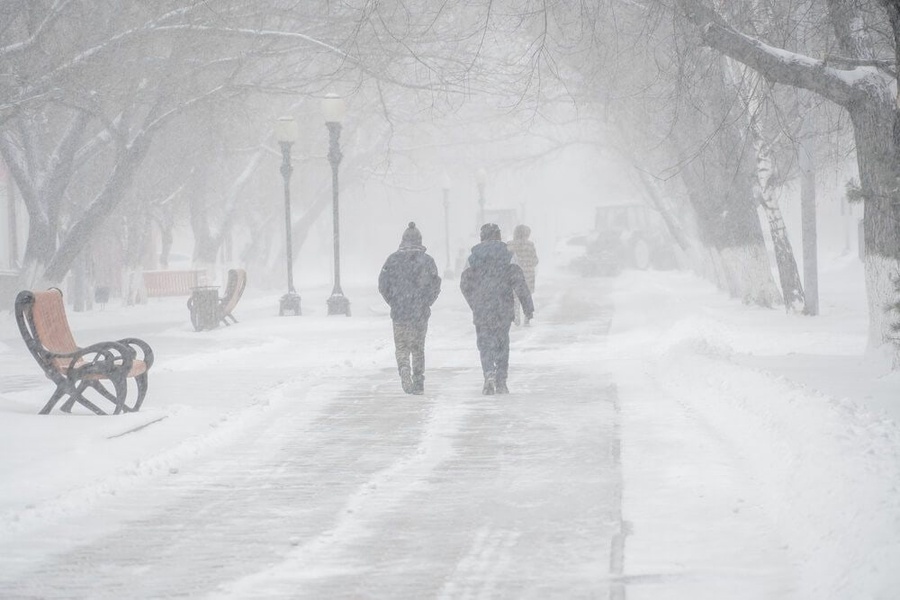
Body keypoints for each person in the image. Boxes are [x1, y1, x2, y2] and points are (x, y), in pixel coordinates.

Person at [460, 223, 534, 395]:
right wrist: (527, 307)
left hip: (482, 309)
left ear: (482, 237)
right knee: (502, 343)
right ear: (499, 236)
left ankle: (488, 372)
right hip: (503, 307)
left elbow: (464, 284)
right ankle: (501, 380)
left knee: (485, 343)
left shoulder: (472, 258)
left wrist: (474, 302)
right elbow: (519, 282)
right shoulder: (508, 255)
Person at [378, 222, 442, 395]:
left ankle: (404, 368)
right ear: (420, 240)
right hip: (420, 311)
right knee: (418, 347)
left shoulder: (392, 260)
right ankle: (419, 380)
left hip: (399, 311)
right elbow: (435, 284)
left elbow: (383, 285)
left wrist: (394, 301)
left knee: (401, 346)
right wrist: (427, 301)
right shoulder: (427, 261)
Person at [506, 224, 539, 326]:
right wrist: (529, 264)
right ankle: (527, 318)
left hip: (513, 275)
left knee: (514, 298)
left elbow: (506, 260)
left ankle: (516, 319)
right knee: (526, 297)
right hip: (527, 276)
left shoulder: (509, 245)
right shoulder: (530, 245)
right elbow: (535, 260)